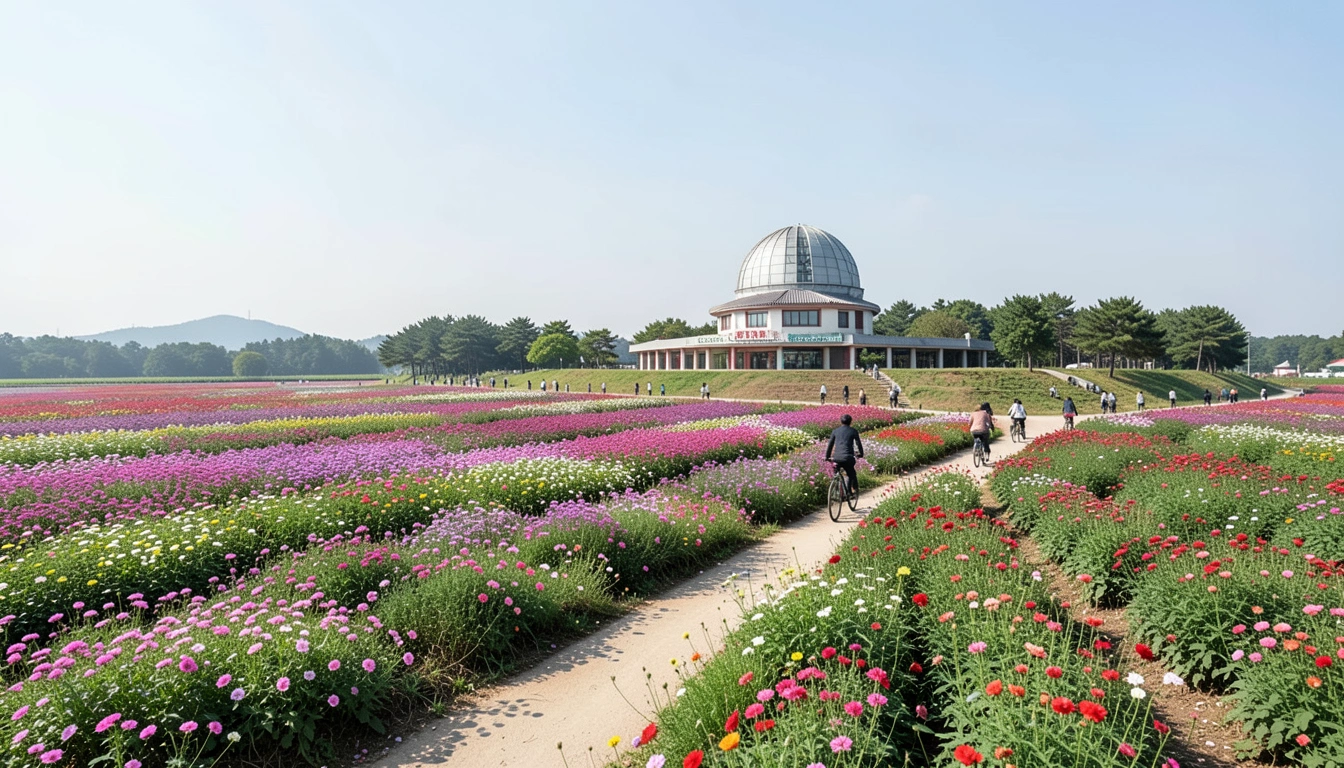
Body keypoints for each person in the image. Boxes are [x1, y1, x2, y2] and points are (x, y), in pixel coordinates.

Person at [824, 414, 864, 499]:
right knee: (850, 473)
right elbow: (858, 444)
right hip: (848, 457)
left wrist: (827, 457)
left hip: (836, 458)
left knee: (836, 473)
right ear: (850, 422)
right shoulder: (853, 431)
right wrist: (861, 454)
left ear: (841, 421)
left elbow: (830, 444)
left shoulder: (835, 431)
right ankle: (850, 492)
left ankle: (837, 492)